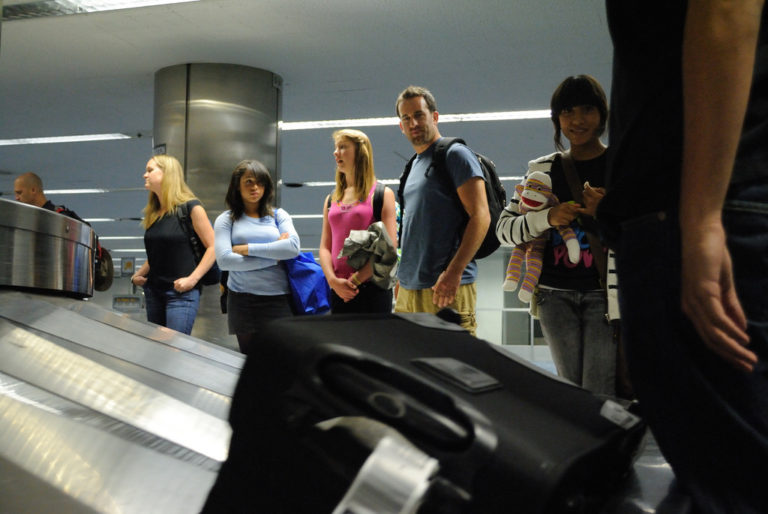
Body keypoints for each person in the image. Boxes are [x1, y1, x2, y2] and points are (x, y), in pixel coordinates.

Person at [598, 1, 768, 512]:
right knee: (713, 476)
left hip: (701, 211)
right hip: (698, 209)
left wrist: (702, 218)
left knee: (734, 485)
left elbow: (727, 7)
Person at [496, 75, 618, 397]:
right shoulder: (542, 169)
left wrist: (606, 212)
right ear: (557, 119)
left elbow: (642, 234)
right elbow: (503, 230)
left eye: (587, 109)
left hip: (604, 295)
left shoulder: (619, 167)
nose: (577, 120)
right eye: (567, 112)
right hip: (553, 296)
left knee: (599, 391)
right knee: (570, 391)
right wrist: (546, 218)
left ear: (602, 114)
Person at [393, 86, 490, 336]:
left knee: (453, 359)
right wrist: (403, 276)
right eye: (406, 118)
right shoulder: (412, 167)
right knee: (410, 358)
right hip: (408, 290)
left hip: (444, 288)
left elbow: (481, 216)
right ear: (401, 126)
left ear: (434, 116)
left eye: (419, 115)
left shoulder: (455, 155)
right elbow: (412, 229)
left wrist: (453, 273)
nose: (413, 123)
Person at [214, 160, 300, 354]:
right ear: (237, 186)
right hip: (242, 300)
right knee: (250, 361)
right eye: (249, 182)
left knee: (282, 359)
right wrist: (274, 256)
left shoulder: (279, 215)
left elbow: (292, 248)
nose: (255, 187)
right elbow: (225, 261)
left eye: (260, 182)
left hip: (279, 298)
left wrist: (247, 249)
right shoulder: (226, 220)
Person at [130, 155, 217, 335]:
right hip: (154, 292)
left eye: (150, 170)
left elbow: (214, 247)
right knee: (156, 347)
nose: (145, 175)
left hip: (181, 294)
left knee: (175, 346)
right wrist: (139, 274)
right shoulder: (154, 213)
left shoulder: (191, 208)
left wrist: (192, 279)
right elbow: (158, 253)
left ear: (167, 173)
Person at [319, 129, 398, 314]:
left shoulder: (382, 194)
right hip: (339, 290)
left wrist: (355, 280)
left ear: (360, 152)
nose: (336, 152)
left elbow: (389, 248)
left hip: (372, 289)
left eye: (342, 147)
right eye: (336, 148)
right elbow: (325, 247)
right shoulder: (331, 199)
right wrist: (332, 281)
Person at [14, 171, 87, 223]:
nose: (16, 198)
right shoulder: (26, 220)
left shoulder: (59, 216)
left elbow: (86, 232)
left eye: (19, 193)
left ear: (33, 190)